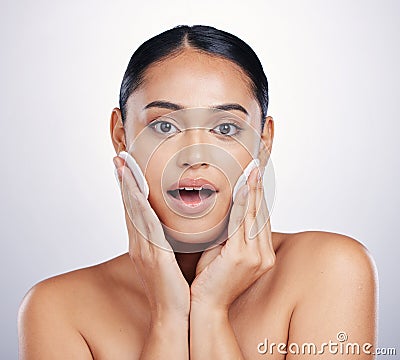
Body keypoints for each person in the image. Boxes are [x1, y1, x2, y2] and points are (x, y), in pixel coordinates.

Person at [18, 25, 377, 359]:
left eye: (225, 127)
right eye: (164, 125)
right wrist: (168, 316)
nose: (195, 156)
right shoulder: (57, 308)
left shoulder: (329, 270)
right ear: (121, 135)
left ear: (263, 141)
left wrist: (210, 311)